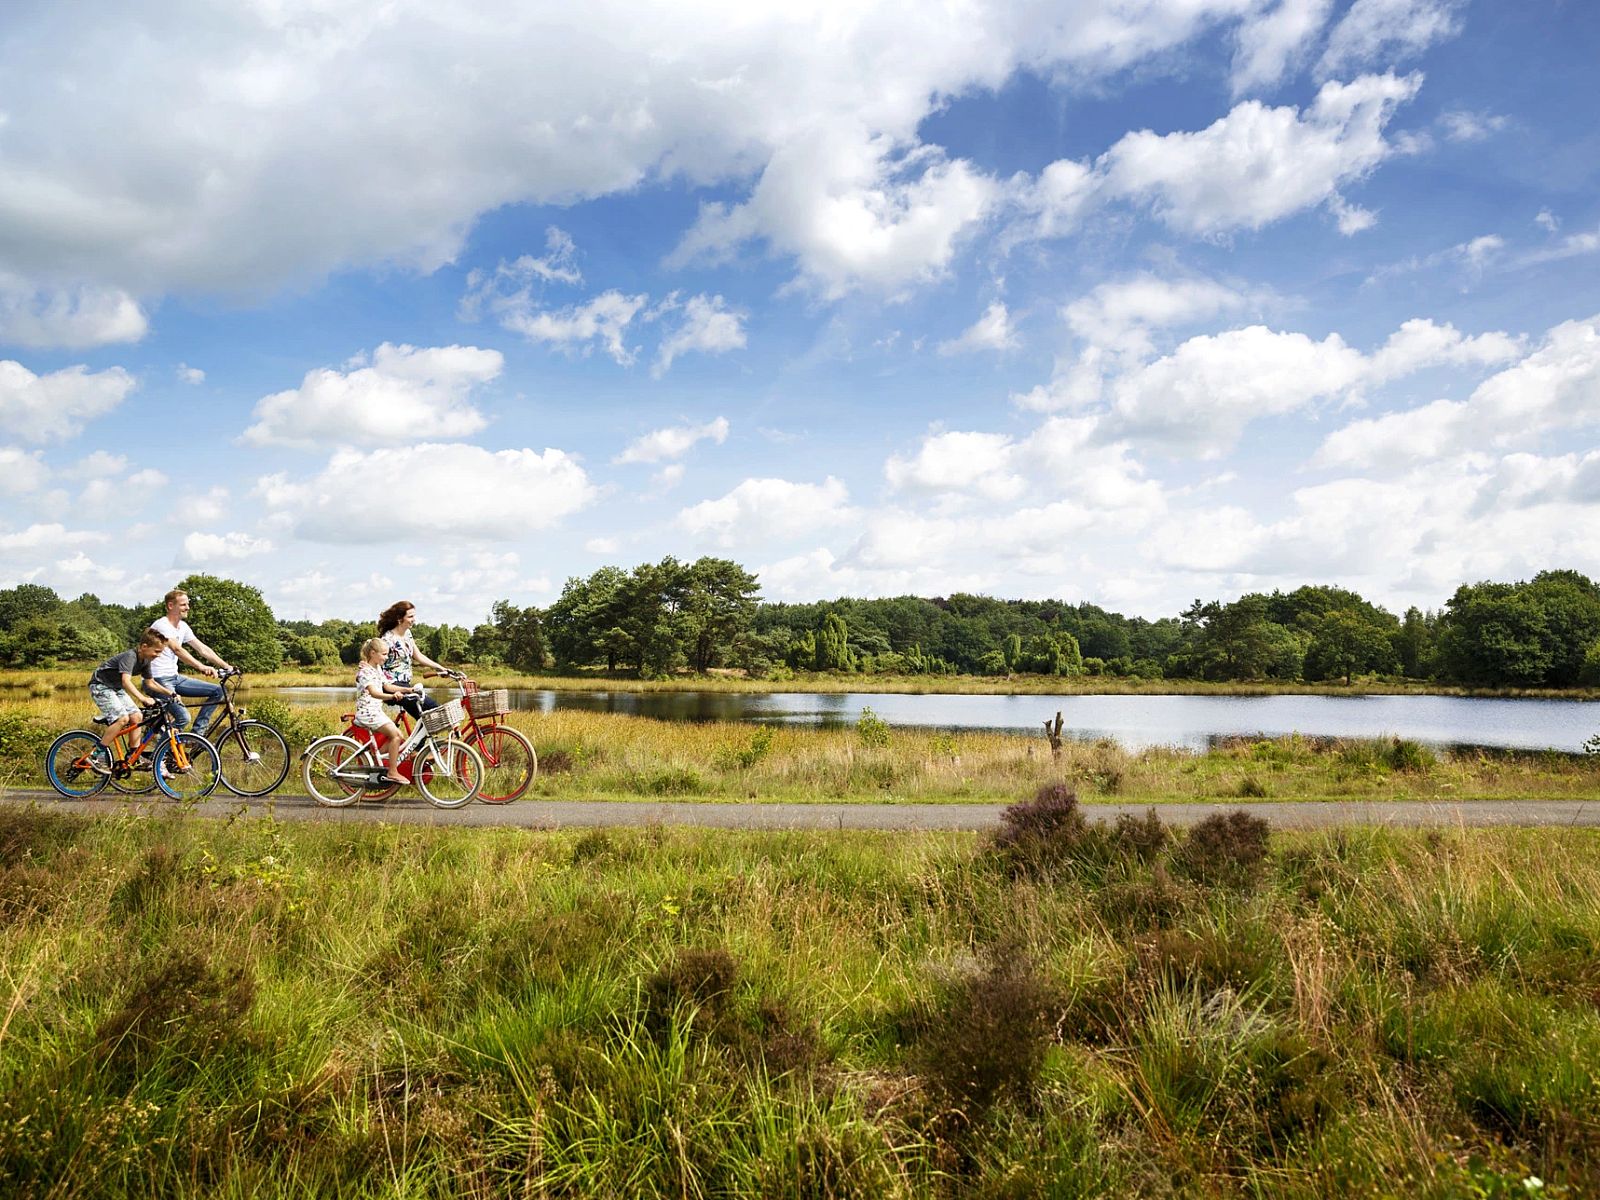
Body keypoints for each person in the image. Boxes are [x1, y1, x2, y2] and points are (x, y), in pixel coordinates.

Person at [149, 588, 233, 738]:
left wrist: (226, 666)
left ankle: (196, 736)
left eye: (188, 604)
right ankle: (161, 752)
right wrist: (201, 667)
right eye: (183, 605)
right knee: (183, 717)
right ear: (170, 606)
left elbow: (202, 649)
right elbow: (177, 650)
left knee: (219, 691)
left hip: (174, 678)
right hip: (158, 680)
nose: (187, 607)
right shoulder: (162, 625)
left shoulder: (183, 627)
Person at [87, 630, 174, 772]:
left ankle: (133, 756)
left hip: (115, 688)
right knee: (122, 719)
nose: (158, 655)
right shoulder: (130, 656)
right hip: (100, 686)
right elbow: (126, 681)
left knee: (137, 716)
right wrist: (142, 698)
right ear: (144, 647)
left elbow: (150, 683)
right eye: (157, 651)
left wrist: (170, 693)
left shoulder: (146, 660)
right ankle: (96, 755)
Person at [375, 600, 448, 720]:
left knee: (428, 718)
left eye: (414, 616)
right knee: (432, 708)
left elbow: (418, 656)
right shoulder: (387, 639)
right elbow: (376, 662)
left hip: (405, 685)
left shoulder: (407, 634)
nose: (414, 619)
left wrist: (439, 667)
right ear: (399, 619)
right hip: (391, 686)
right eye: (410, 616)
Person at [355, 637, 410, 784]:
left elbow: (387, 686)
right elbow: (374, 693)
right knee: (396, 736)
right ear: (373, 653)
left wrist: (408, 690)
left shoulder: (377, 669)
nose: (386, 658)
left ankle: (375, 758)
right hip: (367, 713)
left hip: (375, 711)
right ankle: (392, 772)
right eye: (384, 654)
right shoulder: (365, 672)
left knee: (398, 736)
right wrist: (392, 696)